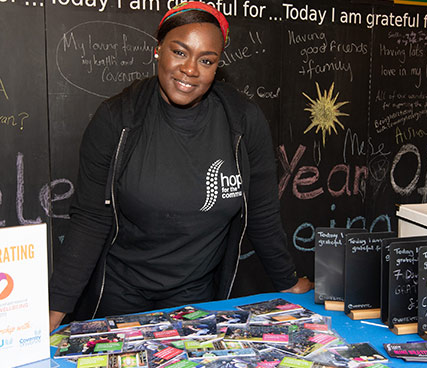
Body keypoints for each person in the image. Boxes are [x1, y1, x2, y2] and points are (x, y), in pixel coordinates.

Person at [48, 1, 312, 331]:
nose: (190, 69)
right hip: (120, 295)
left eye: (206, 60)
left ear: (217, 67)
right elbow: (90, 219)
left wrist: (287, 282)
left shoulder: (243, 121)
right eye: (179, 52)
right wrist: (54, 311)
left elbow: (262, 214)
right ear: (158, 50)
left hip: (196, 296)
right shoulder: (118, 119)